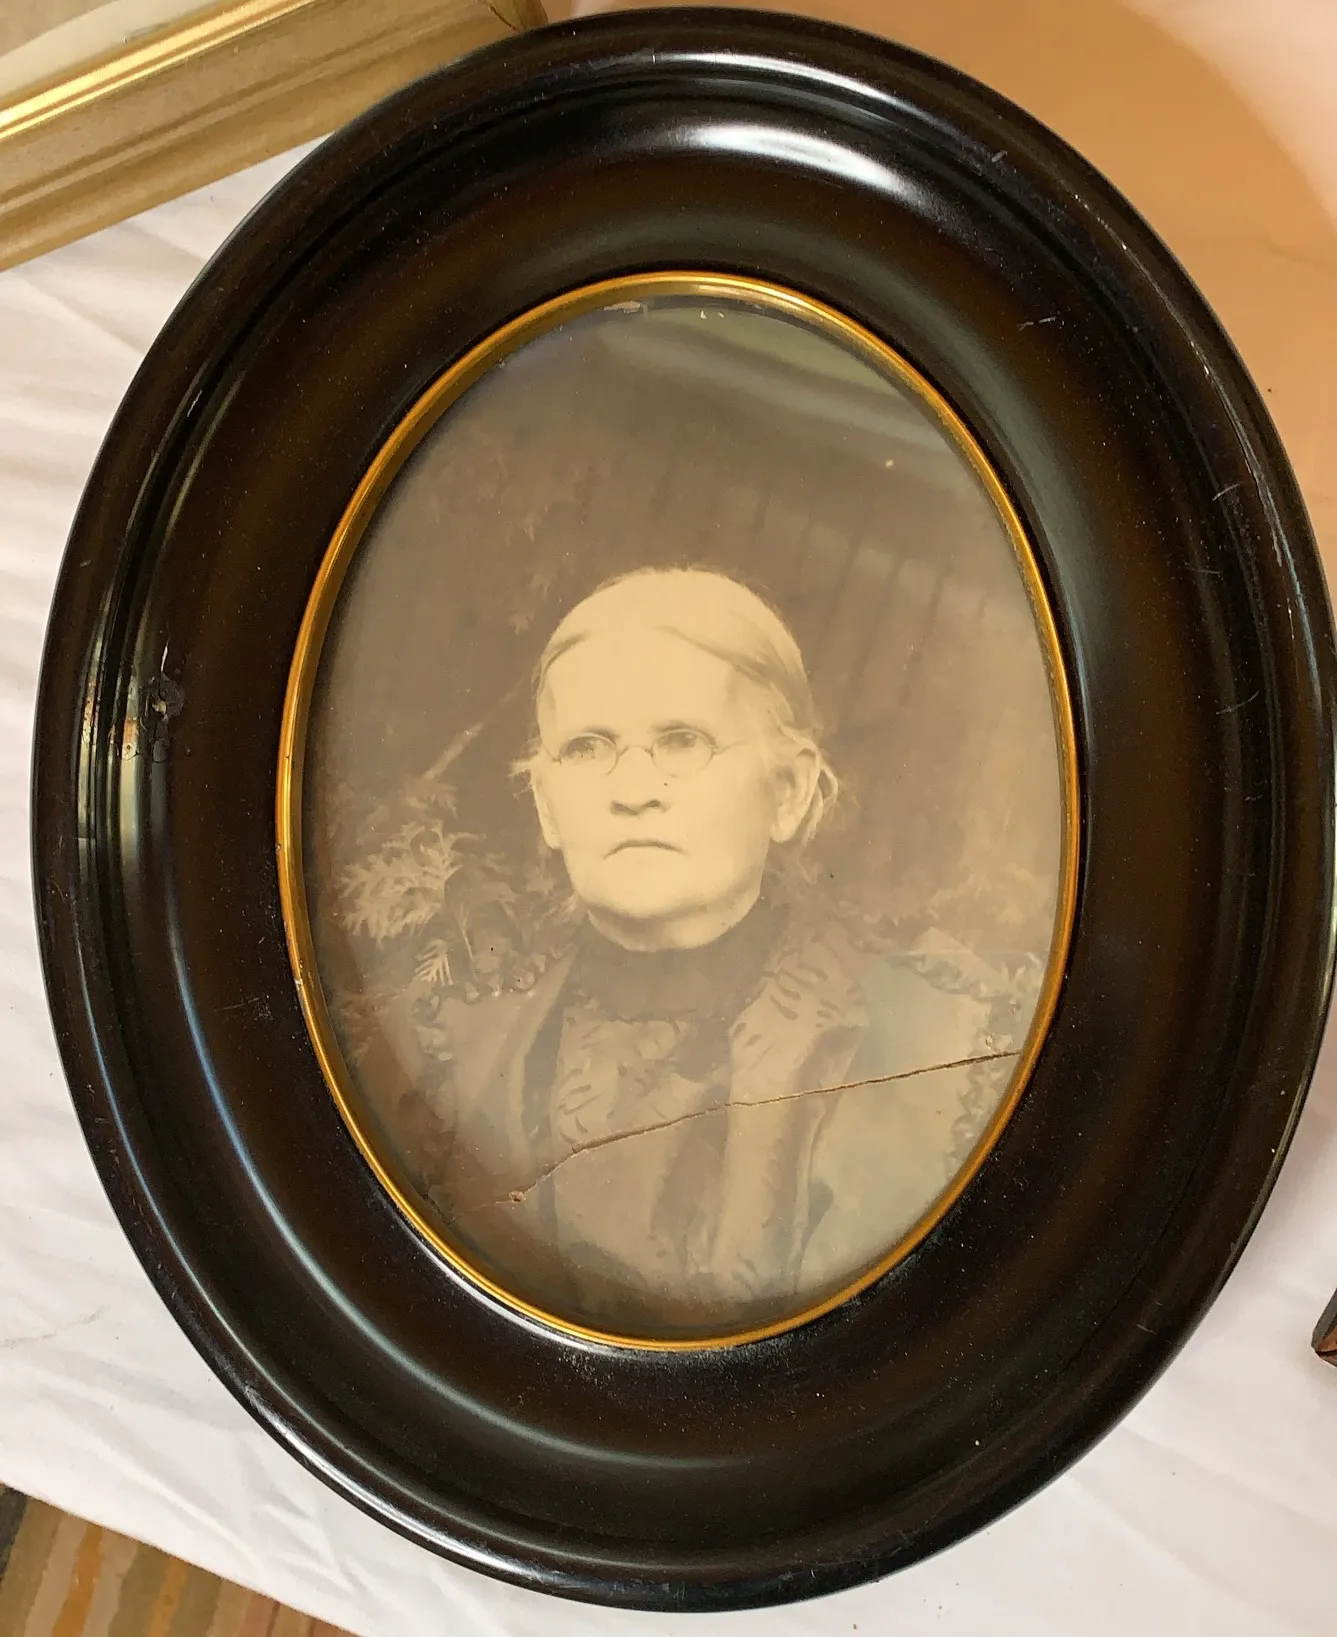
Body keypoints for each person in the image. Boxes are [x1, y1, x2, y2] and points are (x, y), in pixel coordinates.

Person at [393, 568, 1040, 1337]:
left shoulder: (932, 1040)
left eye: (681, 740)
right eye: (588, 747)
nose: (633, 789)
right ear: (547, 805)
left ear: (789, 790)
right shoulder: (454, 1048)